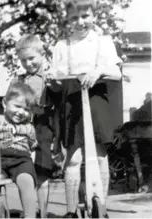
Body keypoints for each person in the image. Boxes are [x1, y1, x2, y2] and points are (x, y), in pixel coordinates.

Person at [52, 0, 122, 217]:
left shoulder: (103, 42)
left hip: (96, 101)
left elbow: (117, 73)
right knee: (73, 157)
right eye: (74, 18)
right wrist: (53, 79)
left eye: (85, 16)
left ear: (94, 15)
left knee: (99, 155)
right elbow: (57, 77)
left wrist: (98, 71)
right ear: (68, 20)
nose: (80, 22)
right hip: (72, 100)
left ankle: (101, 205)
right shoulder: (62, 45)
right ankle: (72, 210)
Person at [9, 34, 61, 218]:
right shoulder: (19, 79)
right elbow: (10, 103)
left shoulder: (51, 77)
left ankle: (44, 213)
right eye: (23, 60)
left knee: (42, 173)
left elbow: (58, 107)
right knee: (25, 173)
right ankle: (28, 212)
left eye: (31, 59)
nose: (28, 64)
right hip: (23, 128)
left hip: (43, 127)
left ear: (42, 55)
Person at [0, 82, 38, 218]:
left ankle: (30, 216)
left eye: (26, 109)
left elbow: (32, 148)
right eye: (17, 106)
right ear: (4, 103)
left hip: (21, 160)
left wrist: (30, 166)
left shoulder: (29, 127)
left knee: (26, 180)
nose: (21, 112)